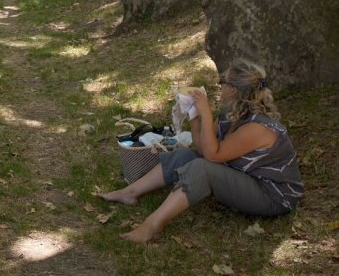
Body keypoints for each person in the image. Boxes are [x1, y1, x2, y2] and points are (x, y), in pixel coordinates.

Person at [99, 59, 303, 243]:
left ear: (233, 89)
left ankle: (152, 225)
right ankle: (130, 192)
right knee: (185, 155)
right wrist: (196, 115)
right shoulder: (232, 114)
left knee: (202, 168)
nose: (219, 84)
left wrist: (206, 113)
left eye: (223, 80)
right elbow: (201, 147)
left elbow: (213, 156)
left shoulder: (258, 127)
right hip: (246, 179)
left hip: (272, 196)